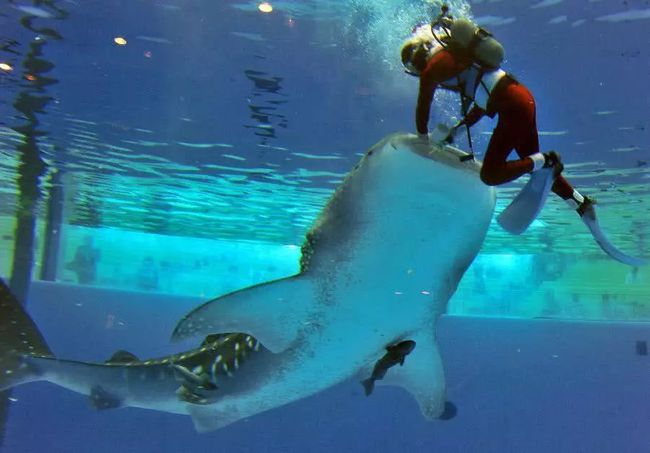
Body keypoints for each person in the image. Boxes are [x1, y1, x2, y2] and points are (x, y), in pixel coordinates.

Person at [400, 16, 591, 216]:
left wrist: (421, 139)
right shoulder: (458, 58)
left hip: (513, 108)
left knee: (491, 174)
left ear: (416, 62)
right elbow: (484, 100)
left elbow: (423, 106)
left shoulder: (433, 69)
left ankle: (547, 160)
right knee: (534, 165)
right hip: (522, 99)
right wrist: (456, 132)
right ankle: (579, 202)